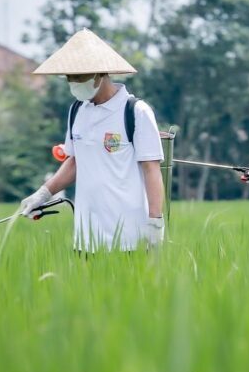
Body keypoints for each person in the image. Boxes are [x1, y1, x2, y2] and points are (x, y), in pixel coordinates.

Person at [21, 29, 165, 252]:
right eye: (69, 78)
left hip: (128, 236)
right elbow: (75, 161)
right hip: (86, 237)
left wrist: (155, 223)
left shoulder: (135, 111)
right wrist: (43, 193)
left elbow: (151, 169)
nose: (73, 83)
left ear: (100, 74)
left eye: (79, 77)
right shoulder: (77, 110)